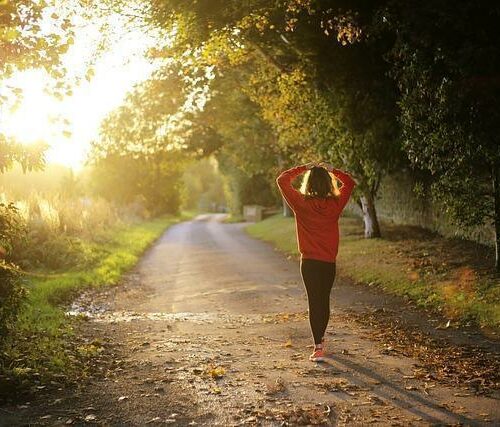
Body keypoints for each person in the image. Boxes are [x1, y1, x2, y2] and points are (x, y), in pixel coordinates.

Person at [276, 161, 356, 362]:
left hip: (309, 263)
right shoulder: (335, 205)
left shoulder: (301, 203)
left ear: (309, 183)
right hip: (328, 262)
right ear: (329, 184)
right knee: (324, 300)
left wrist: (304, 167)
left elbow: (282, 180)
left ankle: (318, 347)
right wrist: (333, 170)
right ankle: (321, 341)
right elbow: (350, 182)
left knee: (314, 301)